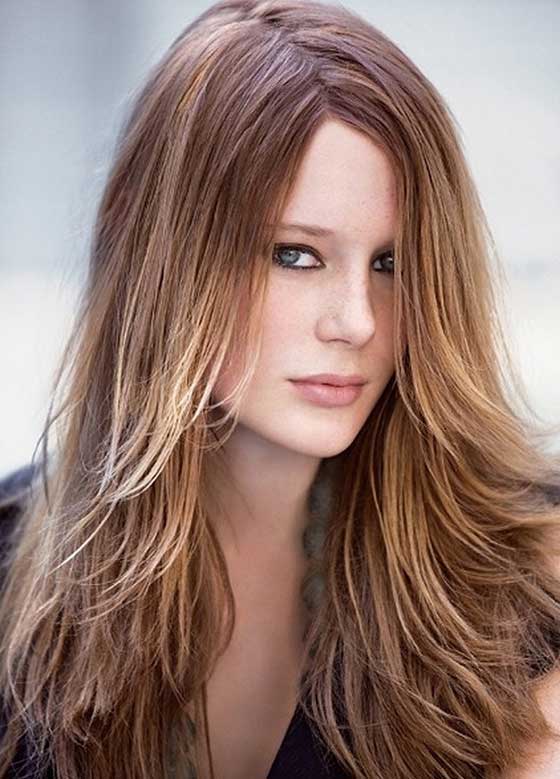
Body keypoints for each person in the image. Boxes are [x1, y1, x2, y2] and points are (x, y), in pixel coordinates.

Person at [1, 0, 560, 777]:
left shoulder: (531, 573)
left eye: (392, 263)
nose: (358, 321)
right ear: (161, 254)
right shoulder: (13, 582)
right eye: (296, 255)